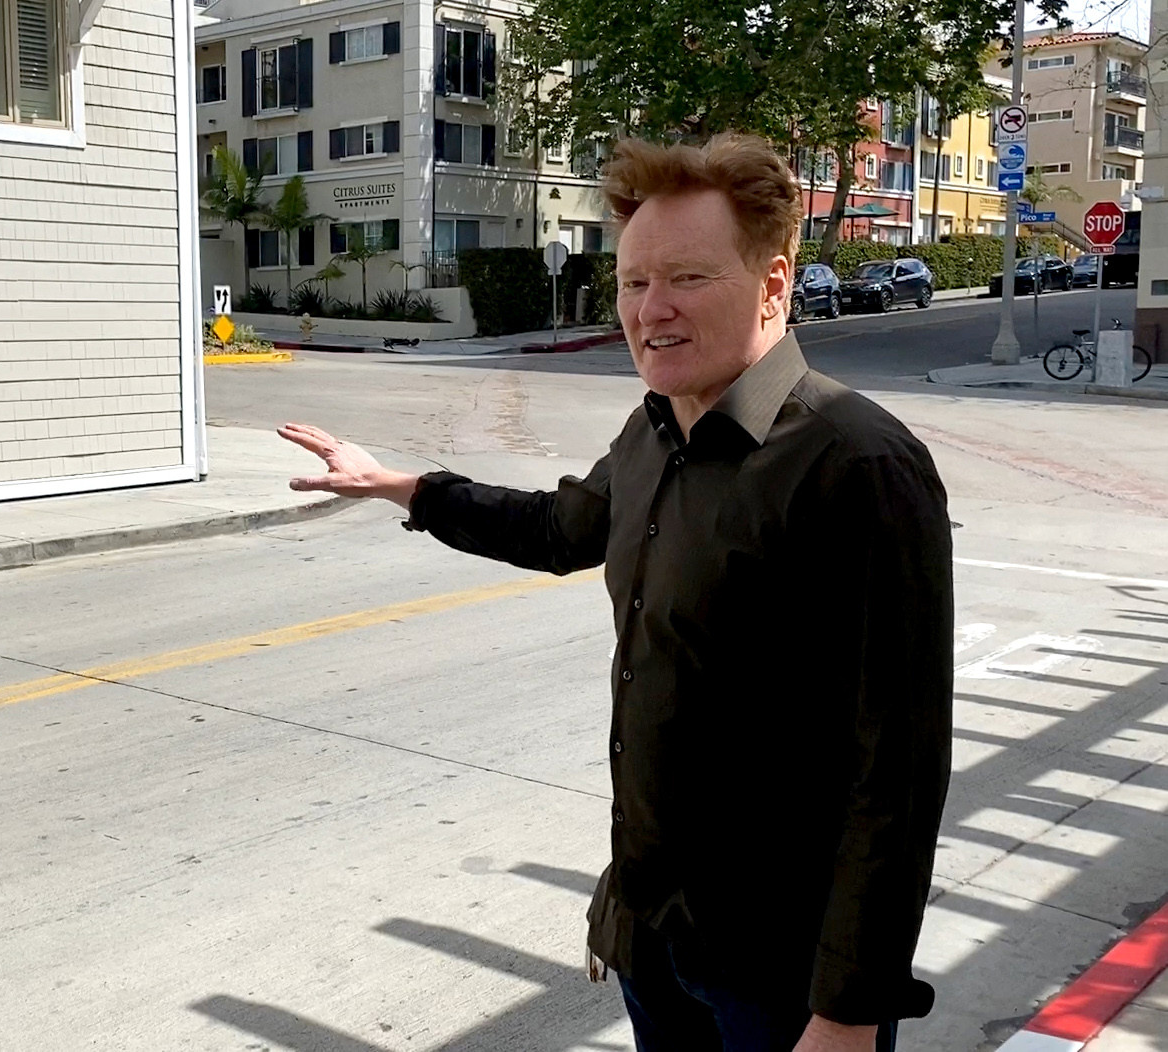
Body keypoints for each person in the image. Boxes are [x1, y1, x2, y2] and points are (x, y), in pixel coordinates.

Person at [280, 134, 952, 1052]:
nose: (650, 308)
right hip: (653, 930)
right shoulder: (653, 433)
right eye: (634, 282)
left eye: (686, 278)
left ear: (772, 284)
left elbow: (898, 772)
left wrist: (849, 1012)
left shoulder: (856, 463)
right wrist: (401, 486)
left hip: (781, 970)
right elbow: (556, 529)